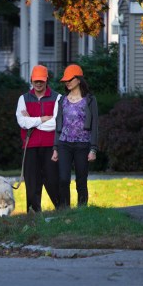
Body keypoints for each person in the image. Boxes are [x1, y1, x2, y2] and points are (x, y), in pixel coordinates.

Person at [16, 65, 61, 213]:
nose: (39, 83)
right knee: (32, 183)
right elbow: (22, 122)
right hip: (30, 147)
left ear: (47, 80)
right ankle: (33, 214)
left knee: (53, 180)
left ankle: (63, 210)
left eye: (41, 80)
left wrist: (33, 122)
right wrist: (42, 119)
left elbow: (56, 123)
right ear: (31, 80)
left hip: (51, 146)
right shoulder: (23, 98)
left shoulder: (58, 98)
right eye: (36, 81)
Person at [53, 64, 99, 208]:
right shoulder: (62, 100)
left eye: (70, 79)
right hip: (64, 144)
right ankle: (64, 209)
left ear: (78, 79)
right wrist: (55, 147)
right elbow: (58, 125)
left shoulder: (90, 100)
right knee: (63, 179)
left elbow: (95, 125)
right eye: (65, 80)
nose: (67, 82)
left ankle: (82, 210)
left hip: (83, 145)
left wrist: (93, 149)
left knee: (81, 180)